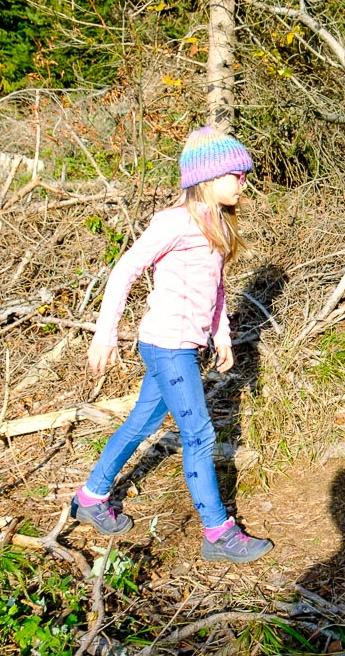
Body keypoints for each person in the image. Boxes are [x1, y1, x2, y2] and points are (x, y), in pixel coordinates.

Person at [69, 126, 273, 564]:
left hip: (184, 346)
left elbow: (215, 287)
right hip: (167, 347)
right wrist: (105, 333)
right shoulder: (174, 222)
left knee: (143, 421)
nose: (243, 182)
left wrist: (220, 334)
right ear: (208, 176)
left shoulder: (215, 220)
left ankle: (91, 496)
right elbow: (125, 269)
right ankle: (218, 532)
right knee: (199, 433)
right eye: (236, 174)